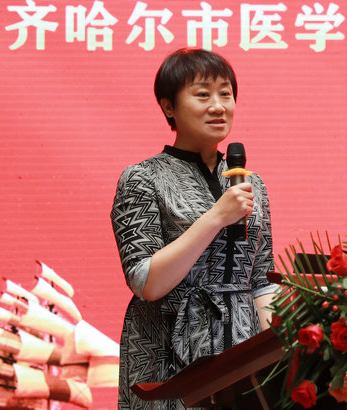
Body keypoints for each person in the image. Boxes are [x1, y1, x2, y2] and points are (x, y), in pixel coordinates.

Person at [111, 48, 278, 409]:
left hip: (242, 349)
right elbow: (146, 281)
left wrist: (282, 355)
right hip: (166, 350)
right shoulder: (142, 178)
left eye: (225, 94)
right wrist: (215, 217)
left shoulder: (252, 184)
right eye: (203, 94)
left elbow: (262, 279)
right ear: (169, 106)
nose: (218, 106)